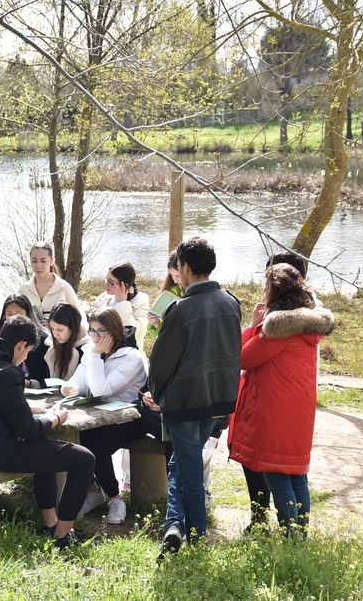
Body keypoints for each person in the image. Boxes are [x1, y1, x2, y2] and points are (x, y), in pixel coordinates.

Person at [0, 315, 96, 549]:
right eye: (27, 353)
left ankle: (50, 523)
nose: (24, 359)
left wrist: (28, 409)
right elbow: (29, 431)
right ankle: (63, 537)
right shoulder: (6, 372)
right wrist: (56, 418)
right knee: (84, 459)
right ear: (21, 345)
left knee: (46, 449)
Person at [147, 237, 242, 558]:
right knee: (181, 463)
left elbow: (160, 362)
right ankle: (173, 526)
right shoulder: (231, 302)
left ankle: (198, 541)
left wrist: (159, 395)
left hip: (186, 402)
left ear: (185, 267)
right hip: (219, 401)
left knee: (188, 471)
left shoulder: (180, 309)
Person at [228, 264, 334, 538]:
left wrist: (253, 326)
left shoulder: (277, 328)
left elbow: (243, 358)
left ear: (275, 292)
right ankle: (300, 537)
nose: (263, 293)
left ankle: (291, 540)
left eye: (266, 287)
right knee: (296, 474)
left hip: (275, 410)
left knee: (276, 474)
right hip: (299, 410)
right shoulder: (309, 326)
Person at [62, 309, 147, 525]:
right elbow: (79, 381)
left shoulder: (131, 358)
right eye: (92, 331)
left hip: (129, 418)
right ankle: (93, 490)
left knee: (95, 446)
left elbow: (102, 390)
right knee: (75, 440)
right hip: (98, 416)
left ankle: (116, 498)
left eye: (102, 331)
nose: (96, 337)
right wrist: (71, 388)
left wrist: (95, 356)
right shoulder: (91, 351)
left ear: (115, 331)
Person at [90, 261, 150, 354]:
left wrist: (123, 304)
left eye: (111, 283)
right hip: (102, 354)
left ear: (124, 285)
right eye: (106, 279)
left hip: (128, 355)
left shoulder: (140, 303)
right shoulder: (104, 301)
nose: (106, 284)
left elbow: (137, 334)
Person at [0, 294, 50, 389]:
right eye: (9, 314)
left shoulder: (42, 340)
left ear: (28, 314)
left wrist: (31, 383)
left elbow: (48, 377)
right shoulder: (0, 338)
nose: (14, 318)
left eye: (19, 314)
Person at [18, 242, 82, 322]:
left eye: (43, 261)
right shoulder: (23, 290)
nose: (38, 266)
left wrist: (53, 326)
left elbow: (81, 320)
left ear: (52, 261)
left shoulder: (64, 288)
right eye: (34, 261)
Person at [44, 302, 90, 382]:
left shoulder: (86, 350)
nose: (55, 335)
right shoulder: (51, 347)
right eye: (52, 329)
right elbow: (45, 380)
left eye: (60, 330)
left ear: (73, 327)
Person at [147, 251, 182, 331]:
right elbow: (165, 334)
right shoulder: (169, 292)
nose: (175, 280)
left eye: (178, 276)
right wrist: (156, 324)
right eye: (172, 275)